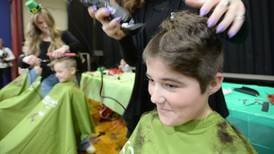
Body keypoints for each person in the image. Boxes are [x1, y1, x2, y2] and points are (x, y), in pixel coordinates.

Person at [88, 0, 246, 136]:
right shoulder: (137, 6)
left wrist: (233, 10)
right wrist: (122, 39)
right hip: (146, 107)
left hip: (198, 112)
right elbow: (136, 60)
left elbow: (237, 33)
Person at [120, 10, 256, 154]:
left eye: (170, 85)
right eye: (151, 80)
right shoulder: (147, 122)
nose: (154, 98)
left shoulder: (228, 147)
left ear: (213, 84)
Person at [19, 7, 82, 92]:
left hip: (64, 78)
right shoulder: (33, 40)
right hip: (43, 80)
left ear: (51, 19)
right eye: (40, 23)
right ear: (35, 25)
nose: (45, 25)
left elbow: (78, 45)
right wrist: (26, 59)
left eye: (47, 21)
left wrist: (65, 48)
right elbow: (22, 64)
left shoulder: (63, 34)